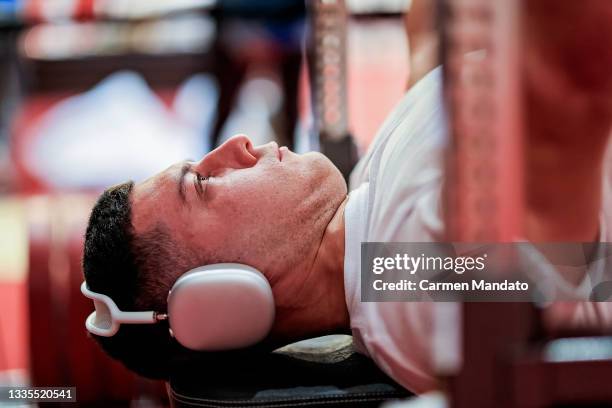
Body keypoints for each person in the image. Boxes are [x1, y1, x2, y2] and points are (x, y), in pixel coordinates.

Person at [82, 0, 612, 393]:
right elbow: (576, 81)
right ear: (217, 299)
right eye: (202, 183)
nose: (235, 145)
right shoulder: (408, 282)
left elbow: (431, 45)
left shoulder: (373, 226)